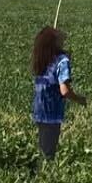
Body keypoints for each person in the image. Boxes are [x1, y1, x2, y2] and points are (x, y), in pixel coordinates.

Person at [31, 25, 86, 163]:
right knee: (48, 155)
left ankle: (39, 174)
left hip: (39, 110)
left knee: (43, 148)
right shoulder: (62, 61)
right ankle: (42, 179)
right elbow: (64, 90)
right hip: (52, 113)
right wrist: (80, 99)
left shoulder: (43, 58)